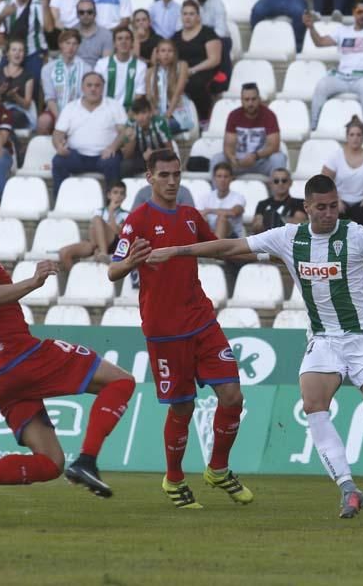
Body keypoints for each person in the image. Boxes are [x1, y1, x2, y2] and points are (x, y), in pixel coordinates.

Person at [144, 173, 363, 518]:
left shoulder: (355, 235)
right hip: (323, 340)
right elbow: (231, 247)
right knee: (313, 403)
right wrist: (178, 252)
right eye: (321, 207)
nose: (328, 213)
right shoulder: (288, 238)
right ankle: (348, 488)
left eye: (333, 206)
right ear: (306, 208)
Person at [0, 178, 136, 512]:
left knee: (50, 461)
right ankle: (87, 460)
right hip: (23, 357)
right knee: (122, 381)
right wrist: (34, 280)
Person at [109, 148, 254, 510]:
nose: (172, 181)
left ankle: (218, 469)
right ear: (150, 178)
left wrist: (268, 249)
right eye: (164, 176)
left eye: (176, 175)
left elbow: (220, 247)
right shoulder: (138, 219)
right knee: (183, 408)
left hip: (201, 319)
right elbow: (113, 270)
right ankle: (173, 479)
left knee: (233, 397)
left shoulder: (190, 216)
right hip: (164, 330)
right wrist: (132, 260)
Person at [306, 0, 363, 132]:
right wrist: (311, 27)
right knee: (322, 84)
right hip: (343, 76)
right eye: (359, 12)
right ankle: (314, 127)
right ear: (354, 12)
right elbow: (320, 43)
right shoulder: (342, 30)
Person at [52, 72, 127, 197]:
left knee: (113, 162)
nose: (93, 89)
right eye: (89, 85)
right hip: (76, 156)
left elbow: (125, 132)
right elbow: (58, 133)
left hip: (104, 156)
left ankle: (112, 206)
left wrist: (113, 147)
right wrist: (58, 146)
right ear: (82, 88)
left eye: (97, 86)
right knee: (58, 161)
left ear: (103, 88)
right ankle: (60, 200)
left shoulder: (114, 106)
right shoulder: (70, 107)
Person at [211, 82, 287, 177]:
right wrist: (232, 158)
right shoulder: (234, 116)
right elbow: (228, 146)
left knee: (278, 158)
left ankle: (277, 192)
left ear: (259, 99)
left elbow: (274, 146)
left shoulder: (269, 115)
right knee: (217, 159)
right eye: (247, 100)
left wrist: (255, 156)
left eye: (253, 99)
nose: (250, 103)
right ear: (241, 100)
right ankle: (217, 192)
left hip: (261, 160)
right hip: (239, 162)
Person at [0, 0, 52, 83]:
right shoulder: (5, 4)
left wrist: (45, 3)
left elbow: (49, 28)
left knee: (34, 84)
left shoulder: (37, 4)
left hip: (33, 52)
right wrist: (2, 15)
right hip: (11, 53)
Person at [322, 116, 363, 231]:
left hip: (362, 201)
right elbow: (324, 181)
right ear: (347, 137)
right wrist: (335, 199)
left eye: (358, 135)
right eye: (352, 135)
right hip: (339, 200)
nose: (355, 138)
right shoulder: (336, 156)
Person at [58, 181, 128, 269]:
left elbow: (117, 233)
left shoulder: (126, 214)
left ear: (125, 197)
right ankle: (76, 279)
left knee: (97, 219)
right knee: (64, 253)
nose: (118, 196)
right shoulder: (98, 211)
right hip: (95, 244)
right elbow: (91, 231)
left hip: (114, 244)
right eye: (115, 192)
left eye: (121, 193)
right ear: (109, 195)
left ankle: (103, 254)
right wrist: (95, 248)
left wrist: (111, 212)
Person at [172, 0, 221, 123]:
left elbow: (214, 59)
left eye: (191, 14)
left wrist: (192, 70)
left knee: (195, 84)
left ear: (198, 17)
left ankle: (203, 119)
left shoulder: (208, 33)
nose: (188, 17)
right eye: (185, 14)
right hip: (181, 71)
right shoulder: (176, 36)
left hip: (203, 70)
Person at [38, 28, 88, 135]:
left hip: (78, 111)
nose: (71, 47)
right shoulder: (48, 68)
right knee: (43, 121)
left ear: (78, 46)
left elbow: (85, 97)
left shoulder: (86, 68)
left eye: (75, 44)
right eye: (67, 43)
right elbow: (49, 97)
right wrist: (59, 117)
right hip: (54, 110)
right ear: (61, 45)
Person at [146, 39, 194, 133]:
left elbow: (178, 93)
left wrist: (167, 116)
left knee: (161, 127)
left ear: (174, 53)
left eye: (170, 51)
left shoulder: (181, 66)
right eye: (163, 51)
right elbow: (149, 96)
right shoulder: (150, 72)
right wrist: (155, 113)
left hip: (177, 114)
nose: (166, 54)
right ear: (157, 54)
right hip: (157, 114)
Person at [121, 95, 177, 176]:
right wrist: (132, 140)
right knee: (125, 166)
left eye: (143, 112)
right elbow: (127, 156)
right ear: (134, 115)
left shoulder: (160, 123)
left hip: (160, 158)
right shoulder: (130, 124)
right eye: (137, 114)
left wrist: (154, 154)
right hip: (141, 159)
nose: (140, 117)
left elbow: (170, 151)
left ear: (150, 113)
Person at [95, 26, 147, 110]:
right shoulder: (102, 64)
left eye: (127, 39)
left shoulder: (141, 66)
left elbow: (139, 95)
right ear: (114, 43)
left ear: (132, 43)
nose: (123, 42)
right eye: (120, 39)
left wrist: (131, 115)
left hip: (130, 112)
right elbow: (96, 91)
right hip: (105, 110)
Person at [0, 38, 36, 130]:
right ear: (7, 53)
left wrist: (15, 96)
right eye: (14, 50)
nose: (17, 53)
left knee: (12, 115)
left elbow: (27, 105)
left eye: (21, 50)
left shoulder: (28, 76)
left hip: (18, 112)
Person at [198, 161, 246, 238]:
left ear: (231, 178)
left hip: (233, 238)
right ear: (214, 178)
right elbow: (198, 215)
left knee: (222, 219)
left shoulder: (238, 197)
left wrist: (209, 211)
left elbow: (234, 212)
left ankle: (215, 248)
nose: (222, 180)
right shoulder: (205, 197)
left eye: (226, 176)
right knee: (202, 219)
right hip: (210, 234)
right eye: (219, 176)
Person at [252, 167, 305, 233]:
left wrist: (269, 219)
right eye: (276, 181)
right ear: (270, 184)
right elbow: (256, 228)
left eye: (284, 180)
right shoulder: (262, 204)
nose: (280, 184)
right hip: (268, 240)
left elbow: (299, 225)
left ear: (290, 182)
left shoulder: (299, 203)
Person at [76, 0, 114, 68]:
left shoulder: (106, 35)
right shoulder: (70, 33)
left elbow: (106, 64)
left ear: (95, 13)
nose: (85, 15)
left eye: (89, 12)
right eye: (81, 12)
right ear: (77, 15)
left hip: (97, 75)